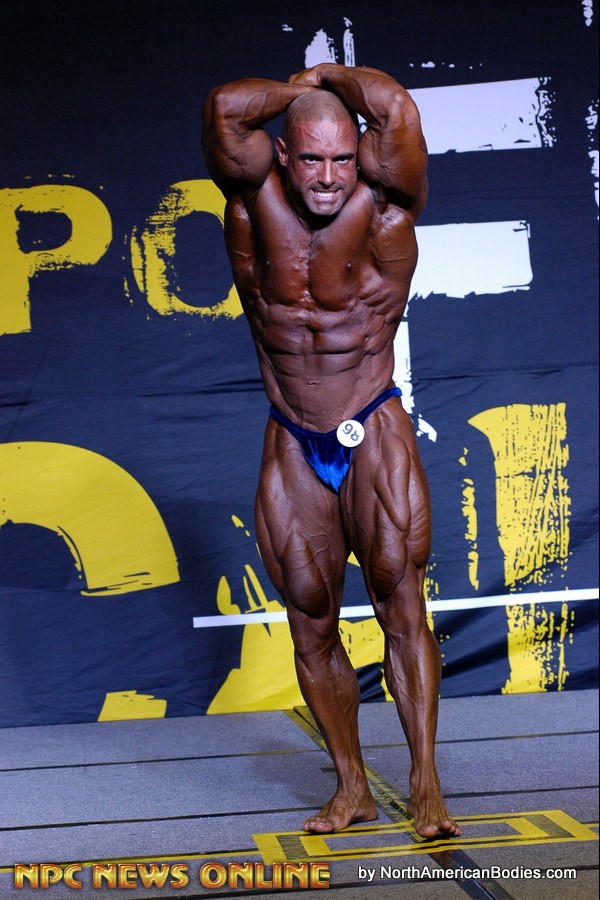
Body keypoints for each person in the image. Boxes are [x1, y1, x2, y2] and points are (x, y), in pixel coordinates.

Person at [202, 63, 460, 839]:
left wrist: (329, 77)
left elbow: (397, 109)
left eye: (342, 158)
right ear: (282, 154)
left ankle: (425, 785)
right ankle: (350, 787)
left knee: (399, 601)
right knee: (309, 617)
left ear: (361, 156)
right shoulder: (252, 201)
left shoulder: (386, 207)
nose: (326, 176)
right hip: (291, 432)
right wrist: (300, 93)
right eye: (310, 158)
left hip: (371, 422)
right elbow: (225, 108)